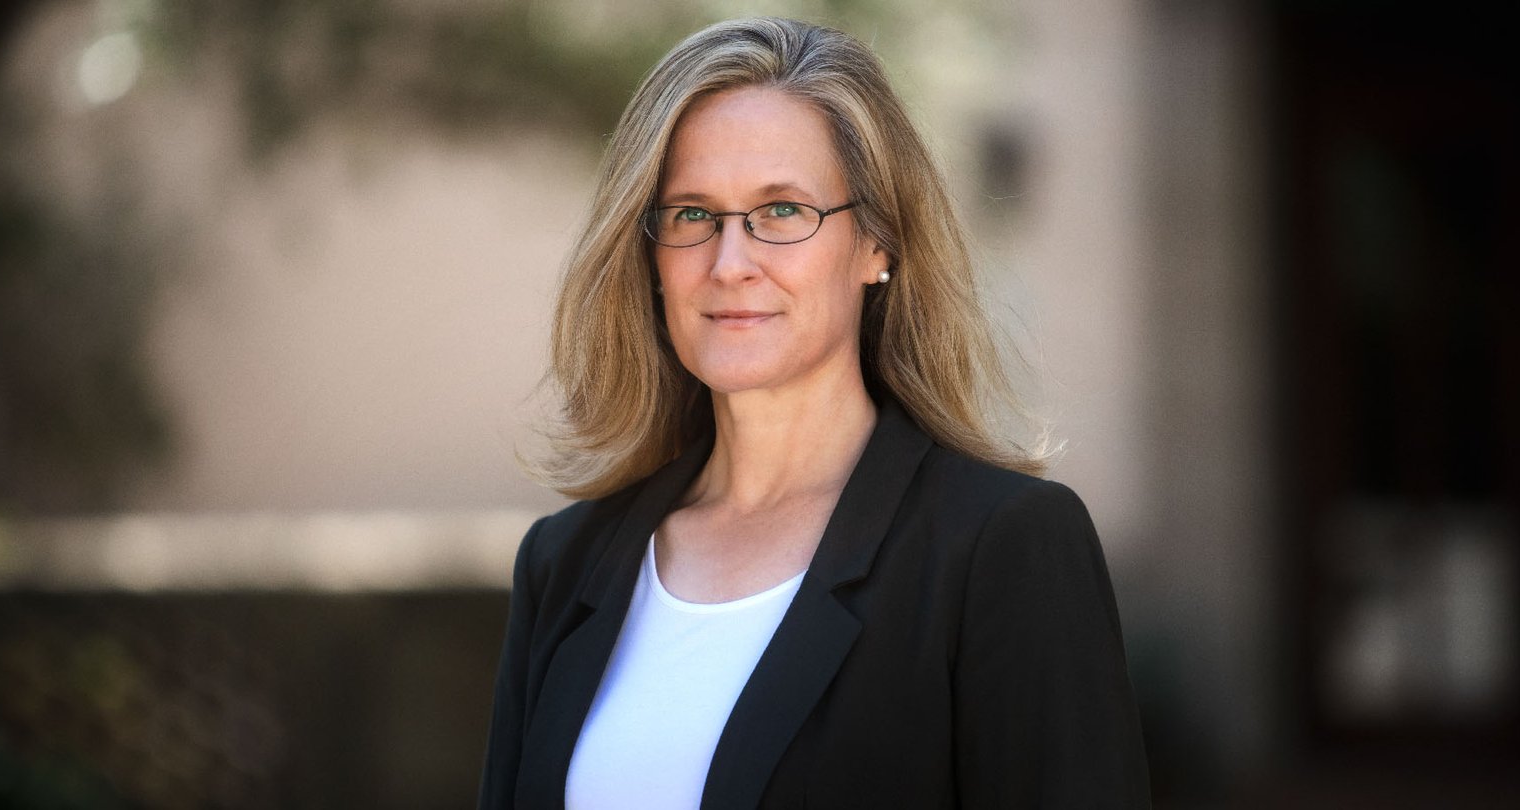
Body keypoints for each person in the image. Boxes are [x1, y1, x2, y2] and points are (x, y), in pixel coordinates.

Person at [478, 17, 1150, 809]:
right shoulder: (564, 562)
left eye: (783, 211)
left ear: (878, 244)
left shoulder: (1001, 547)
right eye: (692, 214)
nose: (730, 264)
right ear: (650, 255)